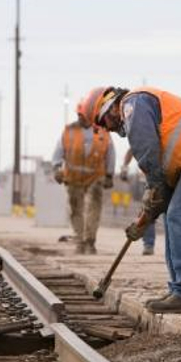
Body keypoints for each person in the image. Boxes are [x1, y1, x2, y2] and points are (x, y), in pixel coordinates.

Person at [80, 85, 181, 313]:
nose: (108, 129)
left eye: (104, 122)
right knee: (172, 217)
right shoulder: (137, 108)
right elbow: (160, 191)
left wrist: (154, 193)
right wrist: (145, 218)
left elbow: (147, 151)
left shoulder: (132, 104)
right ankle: (180, 289)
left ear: (109, 107)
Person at [52, 105, 115, 254]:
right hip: (73, 178)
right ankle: (79, 241)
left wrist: (109, 175)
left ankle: (90, 241)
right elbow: (58, 151)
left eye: (83, 114)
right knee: (76, 210)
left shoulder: (103, 130)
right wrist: (56, 168)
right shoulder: (69, 130)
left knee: (93, 209)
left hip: (95, 177)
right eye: (79, 114)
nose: (81, 117)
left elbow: (110, 153)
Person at [119, 148, 156, 255]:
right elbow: (131, 149)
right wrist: (124, 168)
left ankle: (169, 247)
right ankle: (148, 245)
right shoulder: (143, 135)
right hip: (148, 180)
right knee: (148, 212)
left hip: (164, 177)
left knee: (166, 214)